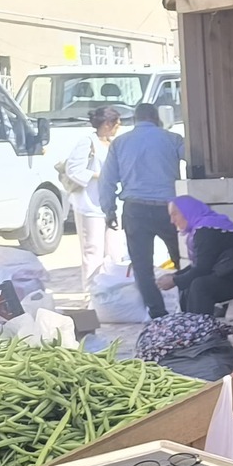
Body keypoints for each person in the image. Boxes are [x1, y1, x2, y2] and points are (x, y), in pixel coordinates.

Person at [98, 101, 186, 319]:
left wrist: (109, 211)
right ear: (156, 118)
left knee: (142, 266)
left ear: (135, 120)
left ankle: (158, 314)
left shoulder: (120, 143)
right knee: (182, 260)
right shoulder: (172, 139)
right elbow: (197, 161)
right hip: (170, 209)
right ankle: (190, 307)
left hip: (135, 209)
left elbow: (107, 181)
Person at [158, 196, 233, 314]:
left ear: (188, 211)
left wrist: (175, 280)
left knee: (200, 286)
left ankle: (200, 328)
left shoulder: (206, 231)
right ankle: (189, 323)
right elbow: (202, 264)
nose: (172, 221)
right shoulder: (207, 226)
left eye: (175, 214)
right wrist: (176, 276)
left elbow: (202, 269)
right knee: (189, 282)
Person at [59, 104, 122, 288]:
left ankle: (113, 289)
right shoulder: (88, 142)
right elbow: (73, 170)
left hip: (112, 204)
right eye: (117, 123)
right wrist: (100, 176)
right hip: (90, 204)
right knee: (92, 251)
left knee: (114, 252)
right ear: (107, 124)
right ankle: (92, 293)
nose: (119, 127)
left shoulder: (114, 143)